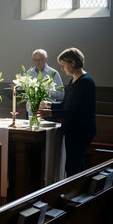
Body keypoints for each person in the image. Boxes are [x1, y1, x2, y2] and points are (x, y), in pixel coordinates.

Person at [38, 47, 96, 176]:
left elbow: (75, 111)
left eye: (63, 65)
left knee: (74, 166)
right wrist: (50, 104)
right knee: (74, 164)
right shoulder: (73, 80)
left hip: (81, 130)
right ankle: (75, 193)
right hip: (73, 129)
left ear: (73, 63)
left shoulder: (85, 82)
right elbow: (66, 105)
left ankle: (74, 193)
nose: (62, 68)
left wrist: (50, 113)